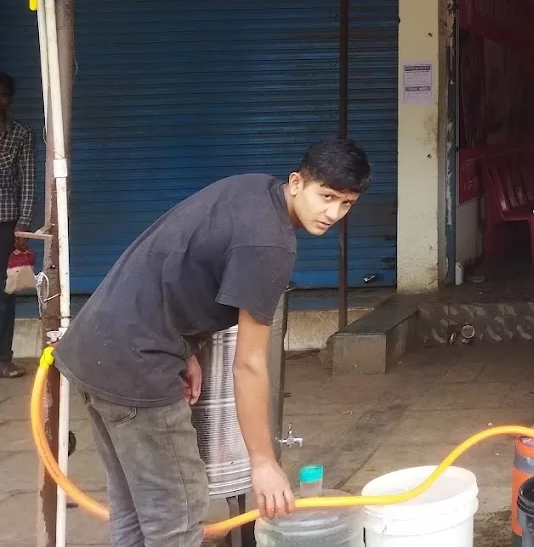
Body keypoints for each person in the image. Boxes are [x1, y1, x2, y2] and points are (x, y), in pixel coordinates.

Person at [54, 139, 372, 547]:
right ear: (297, 183)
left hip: (95, 347)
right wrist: (263, 462)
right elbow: (250, 364)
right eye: (326, 197)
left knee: (136, 510)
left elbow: (182, 263)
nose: (333, 213)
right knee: (178, 517)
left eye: (346, 204)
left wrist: (185, 348)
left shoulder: (254, 188)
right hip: (137, 366)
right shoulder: (270, 245)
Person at [0, 70, 35, 379]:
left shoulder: (20, 133)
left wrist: (22, 226)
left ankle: (3, 359)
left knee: (5, 292)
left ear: (10, 98)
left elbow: (28, 182)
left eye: (3, 94)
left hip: (6, 221)